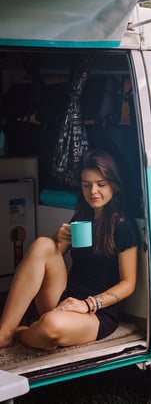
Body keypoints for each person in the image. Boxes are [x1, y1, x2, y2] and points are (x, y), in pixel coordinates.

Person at [0, 149, 139, 350]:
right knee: (42, 244)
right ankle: (5, 332)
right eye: (86, 185)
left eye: (100, 184)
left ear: (114, 186)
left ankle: (25, 334)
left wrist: (88, 304)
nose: (93, 191)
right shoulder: (82, 217)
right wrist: (57, 238)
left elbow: (128, 284)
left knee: (51, 326)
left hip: (96, 312)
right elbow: (48, 257)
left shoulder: (123, 226)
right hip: (65, 298)